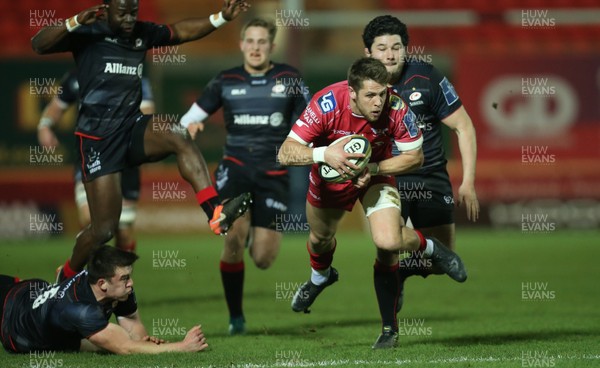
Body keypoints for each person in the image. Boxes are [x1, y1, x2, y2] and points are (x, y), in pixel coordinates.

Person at [31, 0, 253, 282]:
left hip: (132, 128)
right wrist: (73, 21)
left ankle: (215, 212)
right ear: (107, 9)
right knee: (104, 229)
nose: (128, 19)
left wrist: (221, 17)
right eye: (122, 13)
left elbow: (179, 32)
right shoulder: (89, 32)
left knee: (177, 133)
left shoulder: (141, 33)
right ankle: (66, 276)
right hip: (97, 140)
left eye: (133, 13)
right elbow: (38, 44)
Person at [277, 57, 467, 349]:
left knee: (388, 242)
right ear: (352, 92)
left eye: (382, 93)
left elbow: (415, 157)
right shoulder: (326, 103)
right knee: (319, 239)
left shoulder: (396, 107)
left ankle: (392, 325)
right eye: (369, 95)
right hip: (329, 178)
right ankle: (321, 277)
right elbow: (285, 153)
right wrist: (325, 154)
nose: (378, 102)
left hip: (374, 175)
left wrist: (373, 170)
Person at [180, 18, 310, 335]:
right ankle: (236, 317)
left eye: (262, 42)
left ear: (271, 45)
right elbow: (187, 120)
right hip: (234, 170)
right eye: (250, 41)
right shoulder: (225, 80)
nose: (255, 47)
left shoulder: (289, 78)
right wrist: (191, 126)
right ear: (241, 44)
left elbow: (312, 117)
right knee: (234, 237)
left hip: (275, 174)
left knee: (264, 258)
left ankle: (250, 228)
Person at [362, 15, 479, 310]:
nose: (390, 54)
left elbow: (464, 126)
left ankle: (403, 272)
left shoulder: (427, 78)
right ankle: (389, 330)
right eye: (382, 48)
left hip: (430, 176)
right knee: (387, 249)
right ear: (368, 53)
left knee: (440, 262)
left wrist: (468, 182)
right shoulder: (359, 86)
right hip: (387, 178)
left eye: (396, 47)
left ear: (405, 49)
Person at [0, 245, 208, 353]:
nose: (131, 283)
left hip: (32, 289)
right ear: (102, 284)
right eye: (125, 278)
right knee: (102, 345)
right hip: (12, 326)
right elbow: (125, 347)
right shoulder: (80, 310)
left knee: (98, 343)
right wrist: (182, 346)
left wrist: (145, 343)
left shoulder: (118, 288)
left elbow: (134, 331)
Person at [38, 69, 156, 252]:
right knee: (89, 220)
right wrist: (45, 126)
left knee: (123, 233)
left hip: (126, 163)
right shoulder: (76, 76)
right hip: (91, 157)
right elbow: (56, 107)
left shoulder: (133, 75)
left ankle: (122, 278)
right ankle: (85, 276)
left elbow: (148, 113)